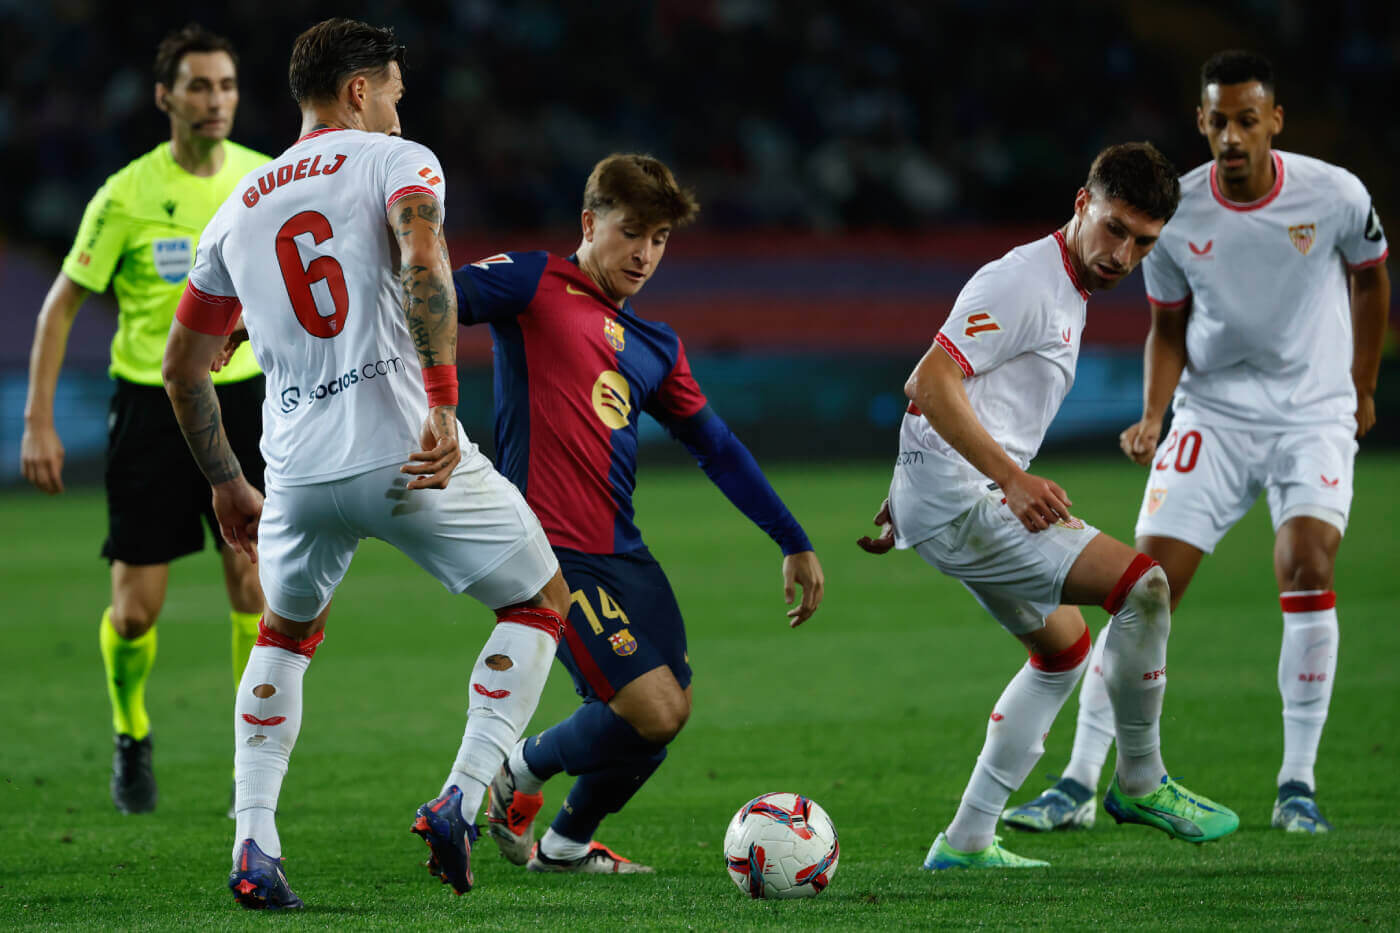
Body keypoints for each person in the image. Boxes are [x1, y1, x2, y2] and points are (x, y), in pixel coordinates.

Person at [160, 18, 570, 909]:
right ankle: (460, 795)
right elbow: (423, 259)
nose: (397, 107)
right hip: (402, 449)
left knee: (284, 637)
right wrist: (445, 399)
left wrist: (227, 480)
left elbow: (183, 367)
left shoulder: (237, 207)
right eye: (391, 90)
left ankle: (253, 844)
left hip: (296, 472)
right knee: (541, 602)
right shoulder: (399, 161)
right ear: (357, 90)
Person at [1004, 51, 1389, 837]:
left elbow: (1372, 276)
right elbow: (1168, 325)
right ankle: (1079, 780)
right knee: (1144, 585)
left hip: (1312, 410)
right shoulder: (1176, 215)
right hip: (1212, 413)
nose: (1232, 135)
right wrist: (1155, 412)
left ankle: (1297, 783)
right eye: (1218, 120)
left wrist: (1363, 384)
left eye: (1248, 119)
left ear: (1274, 120)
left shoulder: (1336, 193)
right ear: (1202, 122)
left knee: (1308, 562)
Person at [858, 142, 1239, 870]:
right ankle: (1141, 777)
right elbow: (928, 380)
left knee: (1062, 652)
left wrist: (906, 489)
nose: (1123, 254)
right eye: (1115, 228)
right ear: (1080, 204)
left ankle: (967, 839)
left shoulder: (1067, 284)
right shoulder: (1025, 281)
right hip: (970, 502)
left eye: (1143, 242)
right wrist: (1008, 478)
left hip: (945, 496)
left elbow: (969, 394)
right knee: (1144, 586)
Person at [452, 153, 825, 874]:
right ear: (590, 223)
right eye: (632, 233)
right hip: (550, 551)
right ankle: (517, 770)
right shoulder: (534, 282)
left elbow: (716, 447)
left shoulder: (657, 345)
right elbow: (428, 295)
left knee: (664, 714)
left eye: (659, 239)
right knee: (650, 707)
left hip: (624, 549)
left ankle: (562, 847)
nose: (645, 254)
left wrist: (793, 539)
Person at [19, 24, 269, 816]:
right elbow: (59, 309)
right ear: (165, 97)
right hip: (150, 404)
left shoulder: (266, 181)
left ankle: (250, 754)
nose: (215, 100)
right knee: (135, 610)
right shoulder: (126, 194)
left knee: (255, 586)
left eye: (226, 86)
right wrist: (38, 421)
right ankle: (131, 731)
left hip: (248, 402)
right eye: (199, 86)